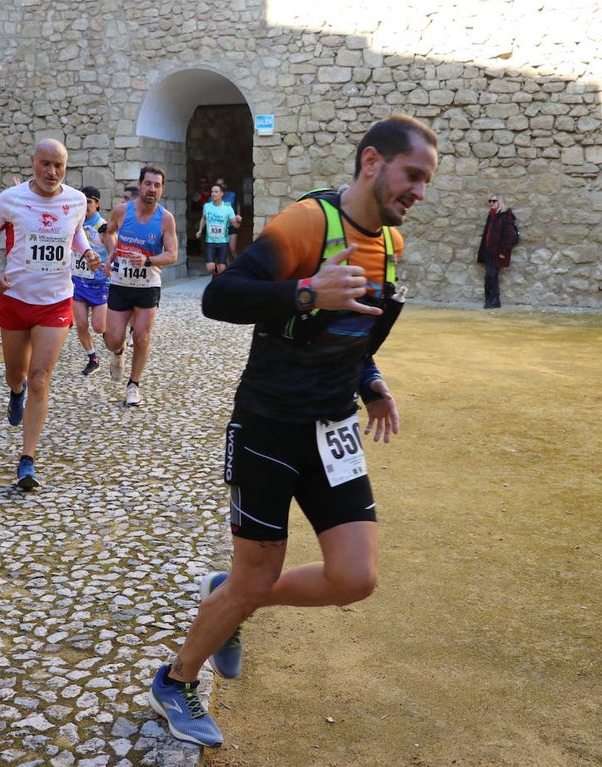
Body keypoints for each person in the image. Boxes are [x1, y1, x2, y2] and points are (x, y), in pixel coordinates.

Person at [146, 114, 439, 748]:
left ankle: (233, 599)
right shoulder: (310, 222)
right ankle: (175, 680)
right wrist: (306, 293)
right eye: (412, 175)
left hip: (332, 430)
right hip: (269, 426)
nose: (419, 191)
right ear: (371, 163)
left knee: (354, 578)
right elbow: (221, 300)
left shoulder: (390, 246)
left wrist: (374, 385)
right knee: (259, 569)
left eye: (426, 181)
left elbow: (355, 335)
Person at [0, 139, 100, 489]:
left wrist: (88, 252)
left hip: (56, 300)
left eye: (58, 166)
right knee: (16, 374)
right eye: (45, 164)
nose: (52, 172)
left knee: (40, 377)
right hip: (15, 298)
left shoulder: (76, 200)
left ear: (66, 167)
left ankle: (27, 460)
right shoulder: (10, 199)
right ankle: (14, 391)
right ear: (33, 162)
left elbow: (75, 231)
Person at [100, 164, 178, 407]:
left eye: (157, 185)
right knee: (113, 338)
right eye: (148, 184)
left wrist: (148, 260)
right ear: (140, 185)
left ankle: (133, 385)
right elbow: (108, 232)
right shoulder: (123, 211)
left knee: (142, 337)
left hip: (148, 284)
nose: (152, 189)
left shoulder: (165, 219)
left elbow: (172, 254)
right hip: (121, 282)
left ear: (162, 189)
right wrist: (112, 252)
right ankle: (118, 352)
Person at [72, 185, 109, 376]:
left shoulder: (102, 226)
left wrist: (108, 264)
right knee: (81, 323)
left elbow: (114, 251)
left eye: (89, 202)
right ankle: (93, 358)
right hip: (78, 281)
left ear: (97, 203)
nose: (85, 205)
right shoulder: (73, 222)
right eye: (82, 201)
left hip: (99, 283)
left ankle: (117, 342)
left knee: (99, 326)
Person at [476, 193, 518, 308]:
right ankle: (492, 301)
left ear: (500, 202)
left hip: (498, 253)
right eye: (490, 201)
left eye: (494, 201)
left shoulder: (505, 216)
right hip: (489, 251)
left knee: (491, 275)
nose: (491, 203)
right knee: (491, 276)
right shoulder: (492, 216)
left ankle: (493, 300)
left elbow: (508, 236)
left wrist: (503, 252)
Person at [195, 183, 241, 277]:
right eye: (212, 192)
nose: (213, 194)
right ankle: (217, 274)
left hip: (223, 242)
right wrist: (200, 230)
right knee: (210, 266)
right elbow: (204, 218)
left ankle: (218, 278)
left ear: (222, 194)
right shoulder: (207, 206)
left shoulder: (228, 208)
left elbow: (235, 226)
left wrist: (239, 221)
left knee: (222, 267)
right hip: (210, 241)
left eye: (216, 192)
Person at [214, 177, 240, 259]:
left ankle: (238, 265)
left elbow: (238, 205)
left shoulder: (232, 195)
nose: (220, 186)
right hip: (220, 227)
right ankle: (227, 268)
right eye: (218, 184)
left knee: (232, 248)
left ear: (225, 185)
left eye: (221, 184)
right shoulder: (213, 198)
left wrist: (238, 216)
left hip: (232, 225)